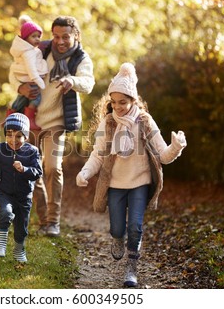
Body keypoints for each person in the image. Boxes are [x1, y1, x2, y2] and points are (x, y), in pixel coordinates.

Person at [76, 63, 187, 287]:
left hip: (139, 183)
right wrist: (85, 172)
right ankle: (117, 239)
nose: (117, 107)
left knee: (135, 227)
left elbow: (163, 155)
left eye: (123, 102)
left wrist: (176, 147)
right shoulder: (107, 124)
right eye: (113, 102)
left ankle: (131, 268)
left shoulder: (144, 121)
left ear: (133, 100)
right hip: (115, 184)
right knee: (117, 228)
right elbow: (98, 155)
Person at [9, 15, 95, 237]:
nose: (60, 41)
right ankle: (43, 218)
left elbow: (88, 82)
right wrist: (21, 89)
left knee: (52, 167)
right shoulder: (42, 49)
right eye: (56, 36)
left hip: (57, 121)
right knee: (31, 169)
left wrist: (72, 81)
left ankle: (53, 221)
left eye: (65, 36)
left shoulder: (80, 58)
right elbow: (14, 72)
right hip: (32, 119)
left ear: (75, 35)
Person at [0, 113, 42, 262]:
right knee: (5, 213)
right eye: (9, 135)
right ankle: (1, 245)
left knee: (21, 227)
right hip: (5, 192)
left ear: (25, 136)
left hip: (24, 196)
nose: (13, 140)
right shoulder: (0, 149)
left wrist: (24, 169)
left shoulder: (32, 152)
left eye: (19, 136)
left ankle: (19, 250)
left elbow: (38, 172)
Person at [8, 15, 48, 130]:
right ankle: (29, 118)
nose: (37, 39)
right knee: (36, 98)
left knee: (21, 99)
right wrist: (39, 81)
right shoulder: (28, 52)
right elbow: (31, 69)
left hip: (25, 80)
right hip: (31, 80)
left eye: (39, 36)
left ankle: (10, 116)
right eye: (33, 36)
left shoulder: (27, 49)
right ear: (25, 37)